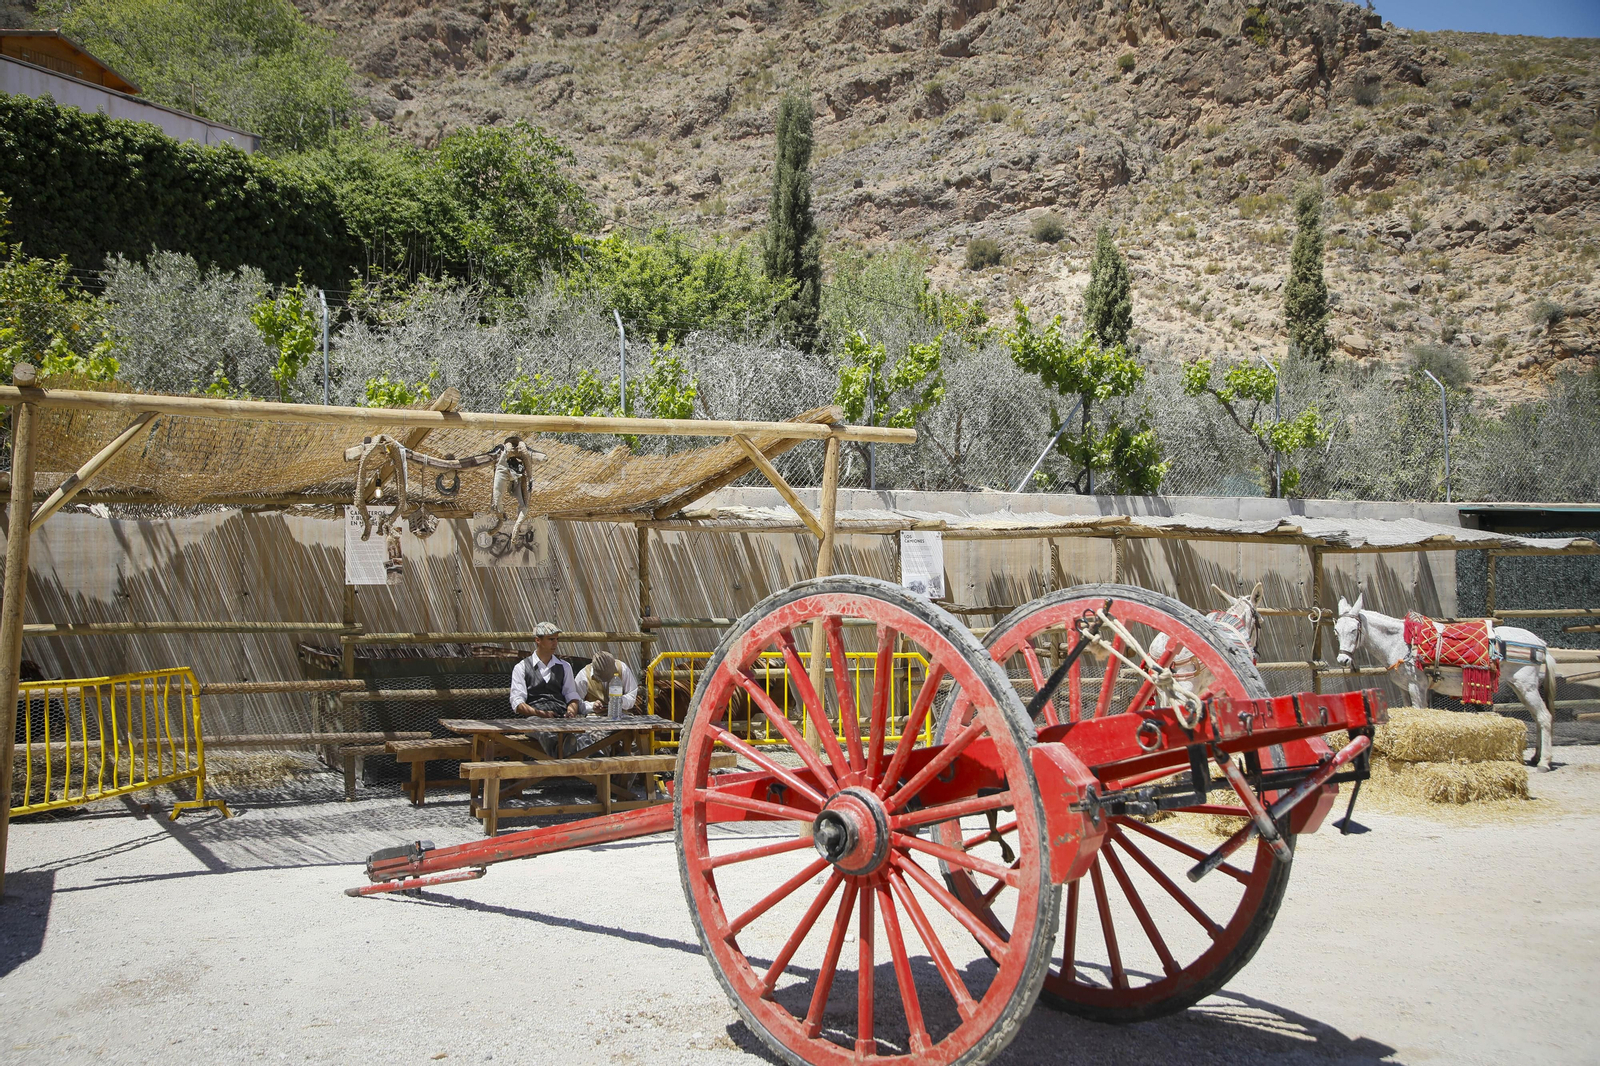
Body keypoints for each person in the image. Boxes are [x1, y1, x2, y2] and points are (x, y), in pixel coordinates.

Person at [509, 621, 584, 719]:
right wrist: (540, 713)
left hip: (561, 717)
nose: (555, 643)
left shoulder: (565, 666)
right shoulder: (521, 667)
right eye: (551, 639)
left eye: (557, 639)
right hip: (535, 719)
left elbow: (571, 696)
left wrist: (571, 712)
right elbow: (517, 702)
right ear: (538, 640)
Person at [573, 650, 639, 716]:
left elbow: (632, 694)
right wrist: (592, 706)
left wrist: (620, 701)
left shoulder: (623, 668)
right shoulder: (583, 675)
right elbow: (576, 703)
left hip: (620, 715)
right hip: (595, 717)